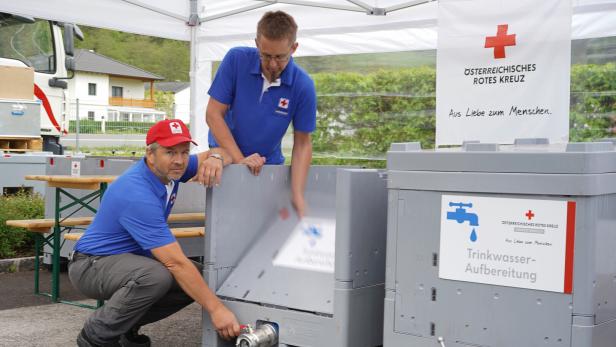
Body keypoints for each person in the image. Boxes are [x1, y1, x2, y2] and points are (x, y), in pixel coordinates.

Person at [68, 119, 240, 347]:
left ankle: (124, 328)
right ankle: (97, 335)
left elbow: (222, 151)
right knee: (157, 277)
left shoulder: (173, 168)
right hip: (91, 265)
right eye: (170, 152)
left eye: (184, 152)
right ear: (151, 154)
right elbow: (175, 263)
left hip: (128, 261)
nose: (179, 160)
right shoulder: (136, 191)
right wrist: (216, 309)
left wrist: (217, 159)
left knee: (200, 278)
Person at [206, 10, 316, 218]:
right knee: (225, 229)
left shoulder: (303, 85)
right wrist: (240, 160)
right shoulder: (236, 59)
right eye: (266, 55)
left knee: (263, 231)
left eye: (280, 57)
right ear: (257, 43)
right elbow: (213, 114)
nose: (272, 64)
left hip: (268, 167)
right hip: (226, 159)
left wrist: (297, 194)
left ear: (294, 48)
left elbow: (303, 143)